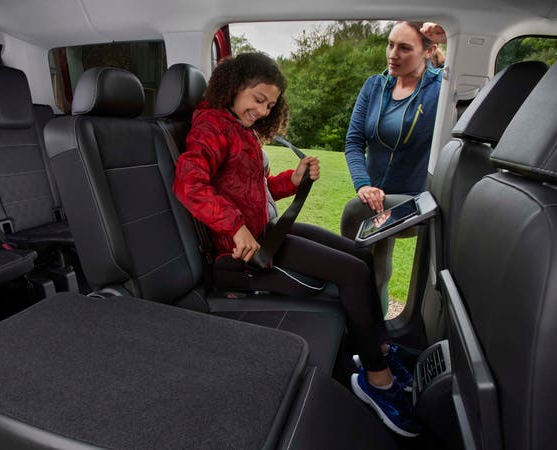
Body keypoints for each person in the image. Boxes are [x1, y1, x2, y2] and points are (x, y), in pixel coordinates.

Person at [173, 52, 420, 437]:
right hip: (241, 254)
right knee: (352, 273)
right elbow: (189, 185)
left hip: (265, 230)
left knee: (358, 252)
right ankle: (378, 381)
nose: (262, 109)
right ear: (233, 86)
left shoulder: (241, 129)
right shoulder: (211, 127)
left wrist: (296, 177)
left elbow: (256, 190)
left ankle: (380, 349)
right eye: (257, 98)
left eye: (269, 104)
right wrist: (235, 227)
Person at [341, 21, 447, 313]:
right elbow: (353, 141)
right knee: (374, 268)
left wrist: (451, 36)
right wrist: (363, 184)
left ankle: (341, 279)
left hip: (417, 202)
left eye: (404, 48)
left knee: (354, 214)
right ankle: (375, 334)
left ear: (429, 50)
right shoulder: (374, 86)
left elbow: (472, 88)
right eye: (390, 44)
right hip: (375, 196)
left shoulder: (440, 89)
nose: (392, 54)